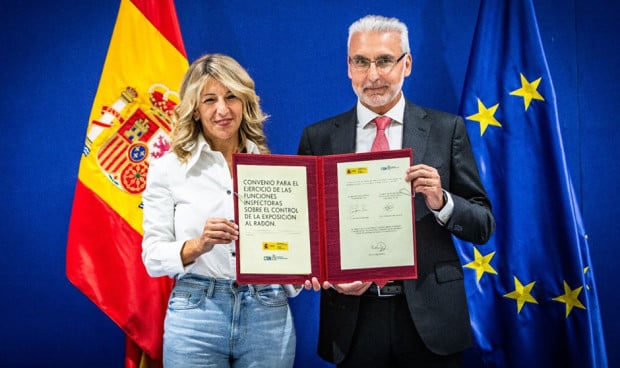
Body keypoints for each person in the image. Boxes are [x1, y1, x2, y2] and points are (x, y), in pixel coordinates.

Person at [299, 15, 495, 368]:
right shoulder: (319, 138)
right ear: (348, 67)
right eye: (361, 61)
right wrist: (327, 275)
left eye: (385, 60)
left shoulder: (445, 129)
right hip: (352, 319)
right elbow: (307, 231)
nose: (372, 75)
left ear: (407, 64)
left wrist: (442, 201)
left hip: (431, 317)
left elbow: (483, 224)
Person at [142, 54, 296, 367]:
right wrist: (199, 245)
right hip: (195, 314)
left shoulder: (275, 170)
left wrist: (304, 269)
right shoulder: (168, 169)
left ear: (245, 102)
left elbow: (291, 255)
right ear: (195, 110)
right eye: (209, 99)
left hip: (267, 309)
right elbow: (153, 257)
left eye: (231, 97)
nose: (222, 110)